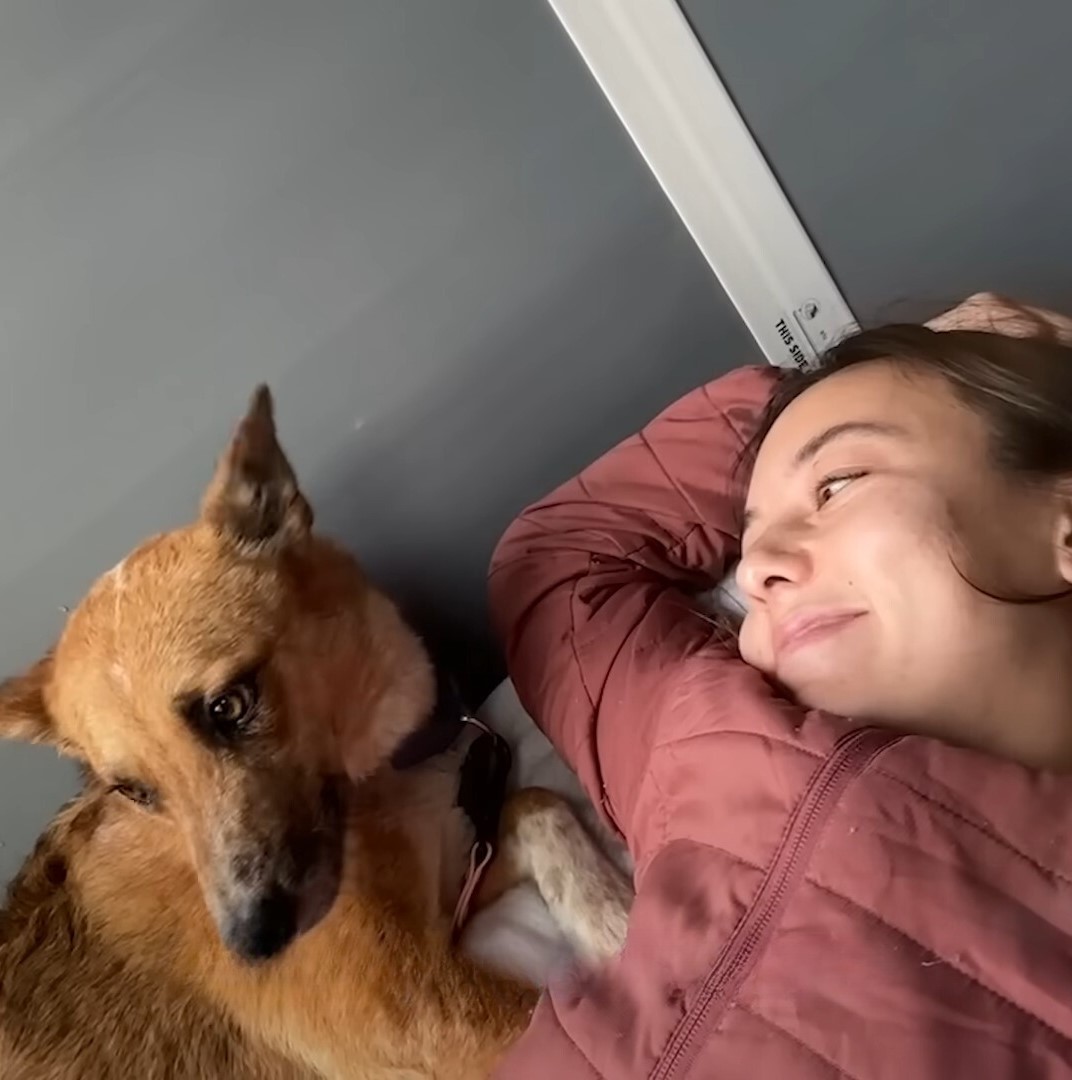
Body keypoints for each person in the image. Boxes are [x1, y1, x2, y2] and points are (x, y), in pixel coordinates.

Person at [488, 293, 1072, 1078]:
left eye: (838, 485)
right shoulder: (711, 741)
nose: (755, 571)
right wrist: (885, 365)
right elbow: (556, 564)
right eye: (750, 536)